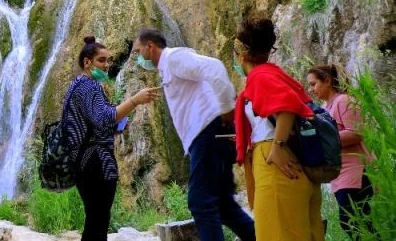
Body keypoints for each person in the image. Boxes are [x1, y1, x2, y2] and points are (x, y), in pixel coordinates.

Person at [132, 27, 255, 241]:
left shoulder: (173, 58)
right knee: (223, 206)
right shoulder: (166, 67)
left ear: (150, 46)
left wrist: (227, 107)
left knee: (200, 203)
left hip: (208, 131)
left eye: (137, 50)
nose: (137, 56)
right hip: (208, 134)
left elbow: (214, 67)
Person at [233, 18, 323, 241]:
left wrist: (277, 146)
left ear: (241, 55)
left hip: (276, 168)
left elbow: (287, 107)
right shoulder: (275, 73)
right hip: (294, 167)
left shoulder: (260, 76)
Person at [66, 36, 161, 241]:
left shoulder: (77, 84)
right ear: (87, 62)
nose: (107, 65)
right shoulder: (89, 86)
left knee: (95, 220)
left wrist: (114, 125)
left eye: (108, 61)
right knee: (98, 221)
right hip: (95, 163)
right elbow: (104, 118)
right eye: (102, 60)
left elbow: (93, 122)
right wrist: (135, 100)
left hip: (83, 161)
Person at [307, 64, 374, 238]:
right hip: (340, 175)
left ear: (328, 80)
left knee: (353, 222)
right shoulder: (325, 107)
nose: (310, 89)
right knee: (355, 223)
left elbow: (356, 133)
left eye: (313, 84)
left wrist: (323, 140)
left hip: (355, 171)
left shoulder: (343, 100)